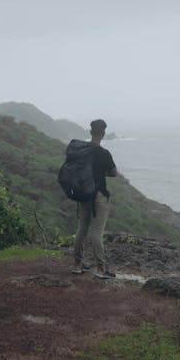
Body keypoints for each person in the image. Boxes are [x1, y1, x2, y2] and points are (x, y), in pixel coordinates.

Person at [72, 119, 117, 279]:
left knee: (82, 229)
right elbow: (113, 173)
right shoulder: (104, 154)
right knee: (96, 231)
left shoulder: (82, 150)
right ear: (103, 134)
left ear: (90, 132)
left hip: (84, 194)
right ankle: (100, 268)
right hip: (98, 195)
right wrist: (100, 173)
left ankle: (77, 264)